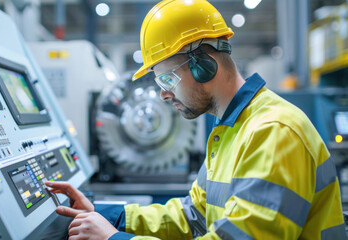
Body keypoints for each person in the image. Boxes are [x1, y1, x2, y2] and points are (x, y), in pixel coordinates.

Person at [45, 0, 346, 239]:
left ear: (204, 65)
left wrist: (114, 239)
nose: (164, 94)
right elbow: (193, 216)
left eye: (166, 79)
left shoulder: (273, 132)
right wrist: (105, 214)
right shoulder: (230, 130)